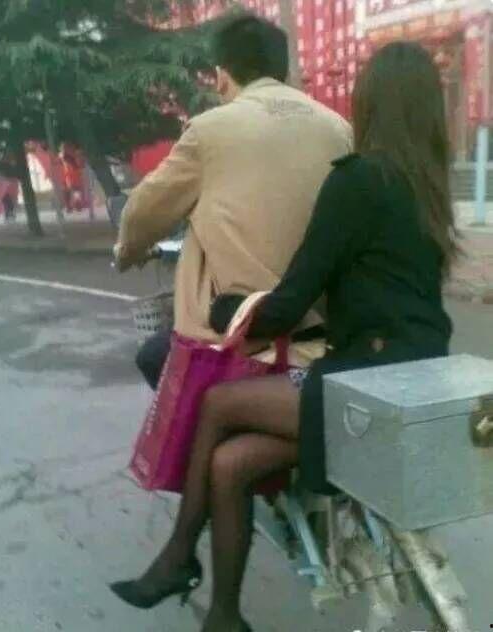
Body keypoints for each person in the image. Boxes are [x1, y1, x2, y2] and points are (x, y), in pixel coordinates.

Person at [110, 41, 458, 632]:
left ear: (371, 103)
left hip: (361, 380)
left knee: (217, 403)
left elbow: (292, 299)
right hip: (418, 369)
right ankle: (224, 615)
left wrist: (229, 309)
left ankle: (178, 556)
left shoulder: (357, 181)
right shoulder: (426, 189)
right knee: (229, 464)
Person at [115, 14, 352, 390]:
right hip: (325, 333)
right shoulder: (338, 128)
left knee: (153, 355)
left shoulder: (209, 131)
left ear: (222, 75)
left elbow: (141, 214)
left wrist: (127, 252)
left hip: (238, 335)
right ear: (282, 70)